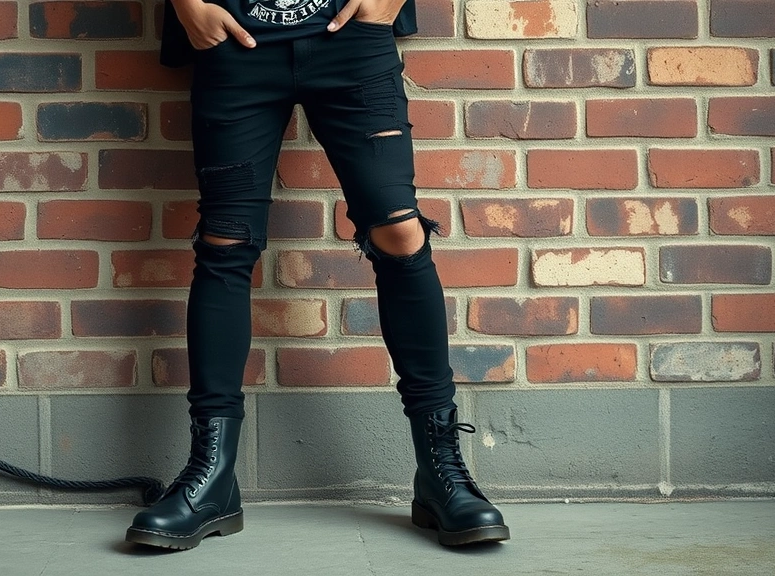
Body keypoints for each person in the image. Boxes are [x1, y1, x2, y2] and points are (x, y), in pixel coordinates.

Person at [125, 0, 510, 549]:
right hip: (235, 40)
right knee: (226, 242)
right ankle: (211, 478)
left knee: (399, 232)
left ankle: (442, 474)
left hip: (351, 39)